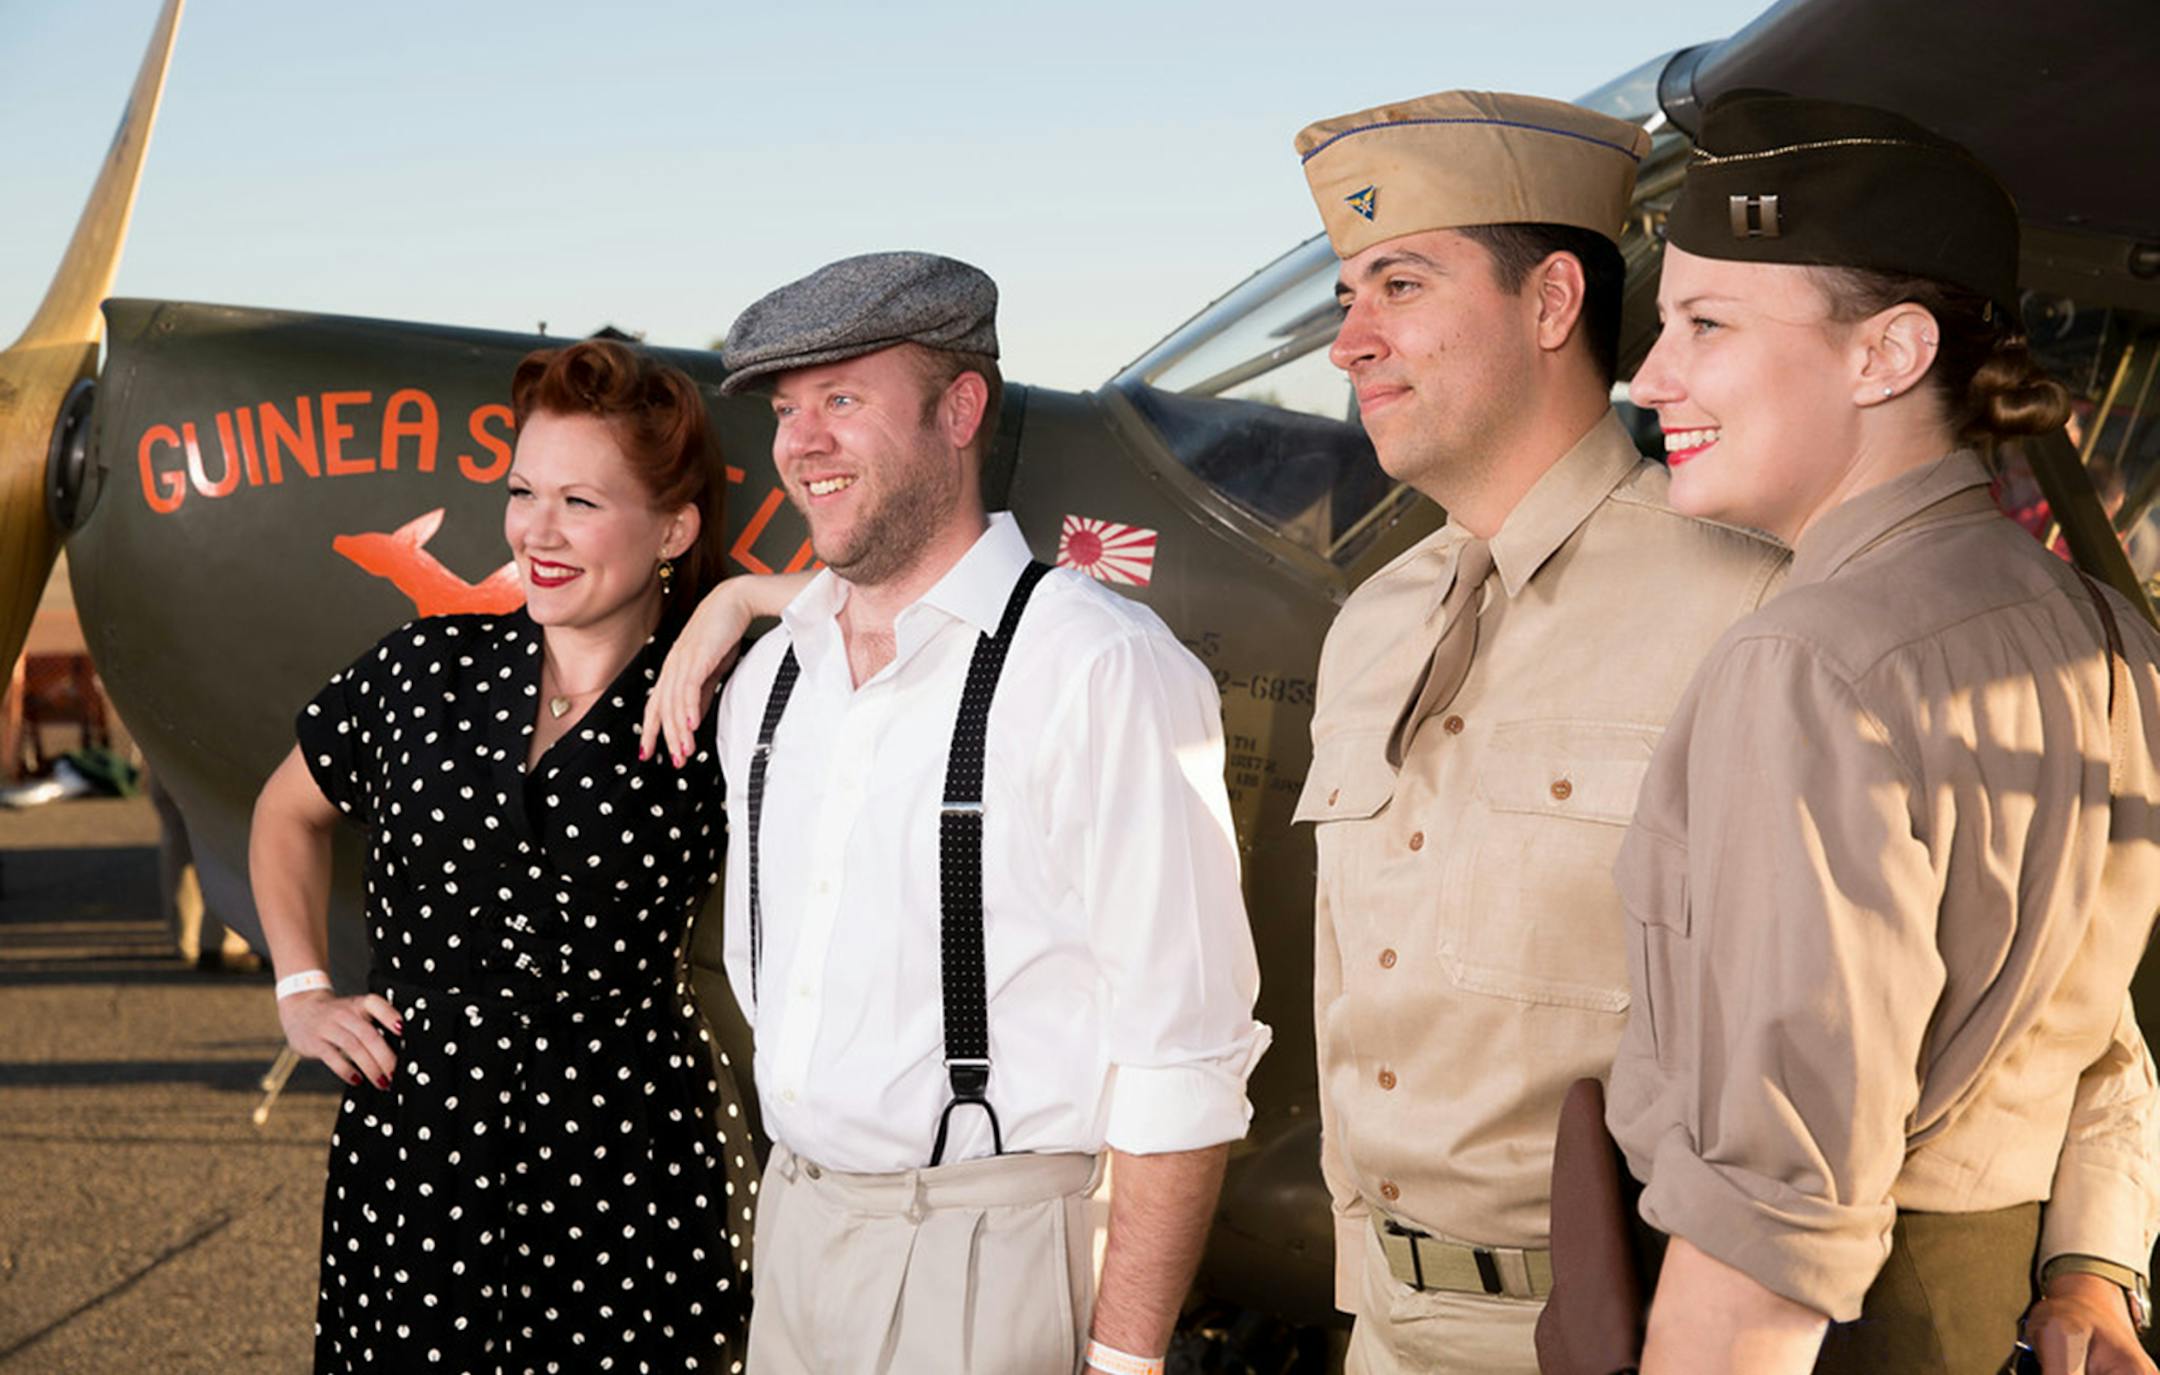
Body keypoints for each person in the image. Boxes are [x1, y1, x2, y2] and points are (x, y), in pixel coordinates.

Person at [1606, 92, 2160, 1375]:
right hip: (1988, 1310)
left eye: (1706, 323)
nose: (1650, 374)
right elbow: (2094, 1035)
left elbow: (1770, 1217)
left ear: (1886, 354)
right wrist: (2089, 1263)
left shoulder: (1807, 661)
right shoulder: (2107, 637)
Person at [657, 250, 1268, 1375]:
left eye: (843, 398)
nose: (802, 442)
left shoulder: (1100, 668)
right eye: (790, 410)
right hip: (792, 1231)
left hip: (987, 1254)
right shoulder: (767, 682)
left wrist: (1125, 1363)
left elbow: (1184, 1057)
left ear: (962, 408)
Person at [1288, 90, 1788, 1374]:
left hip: (1607, 1332)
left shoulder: (1756, 604)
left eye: (1397, 284)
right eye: (1346, 297)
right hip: (1384, 1327)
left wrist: (2091, 1262)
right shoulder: (1373, 625)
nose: (1349, 343)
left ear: (1555, 303)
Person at [250, 339, 755, 1374]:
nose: (537, 530)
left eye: (581, 500)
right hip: (417, 1154)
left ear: (674, 526)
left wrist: (742, 603)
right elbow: (284, 811)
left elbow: (894, 604)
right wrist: (303, 988)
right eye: (525, 491)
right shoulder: (425, 666)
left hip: (628, 1163)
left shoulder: (734, 695)